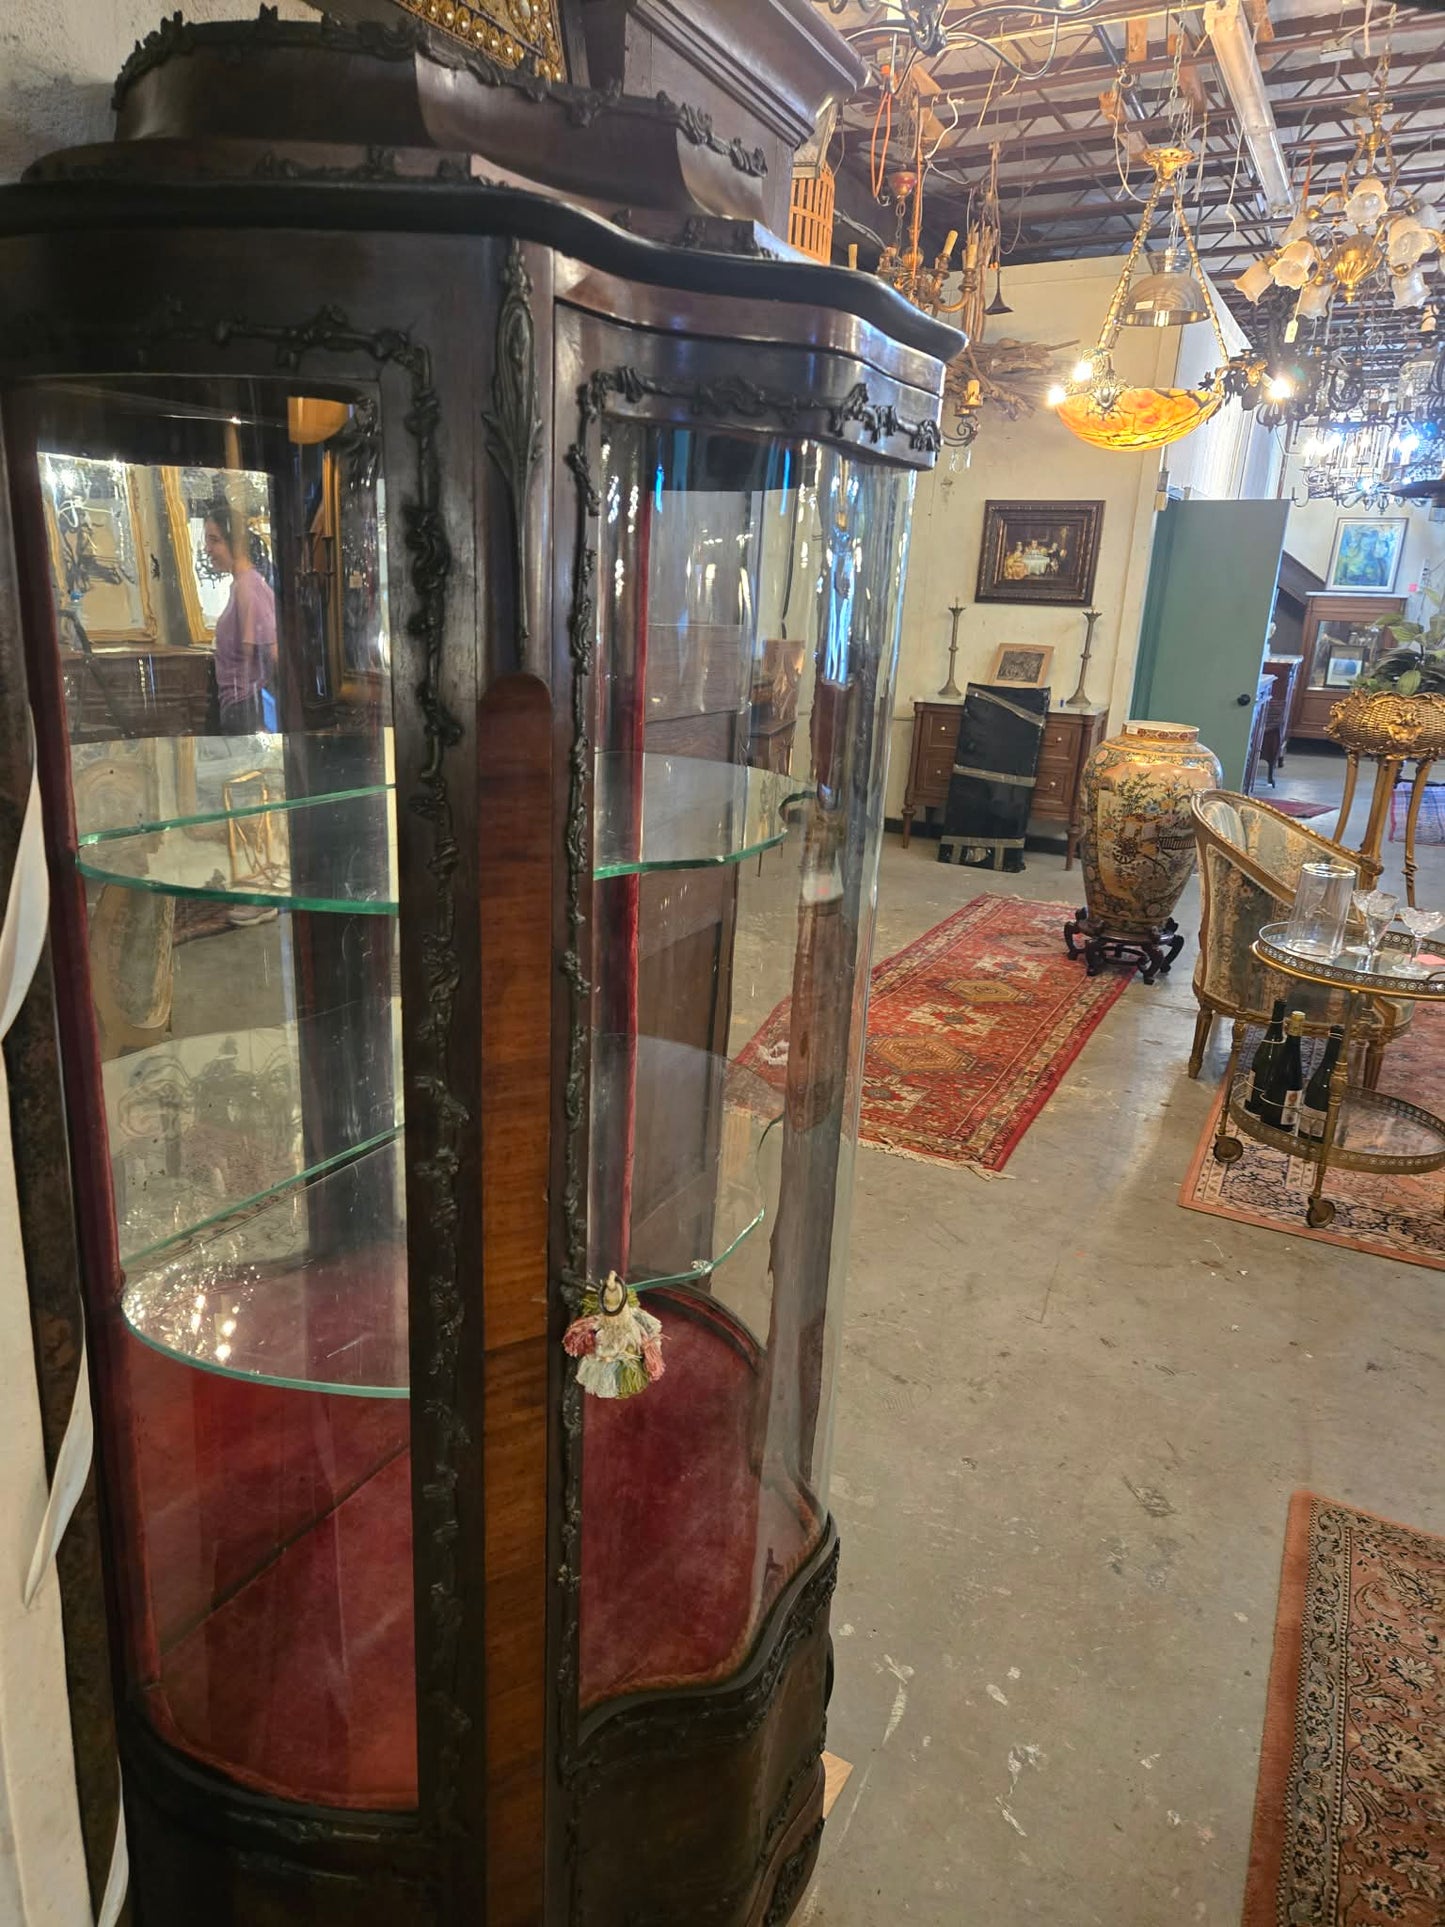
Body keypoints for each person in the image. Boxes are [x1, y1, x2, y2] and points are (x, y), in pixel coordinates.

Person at [204, 501, 277, 732]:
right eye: (207, 540)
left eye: (214, 540)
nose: (207, 549)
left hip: (246, 708)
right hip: (239, 707)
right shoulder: (241, 586)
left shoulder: (249, 586)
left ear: (235, 543)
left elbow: (273, 654)